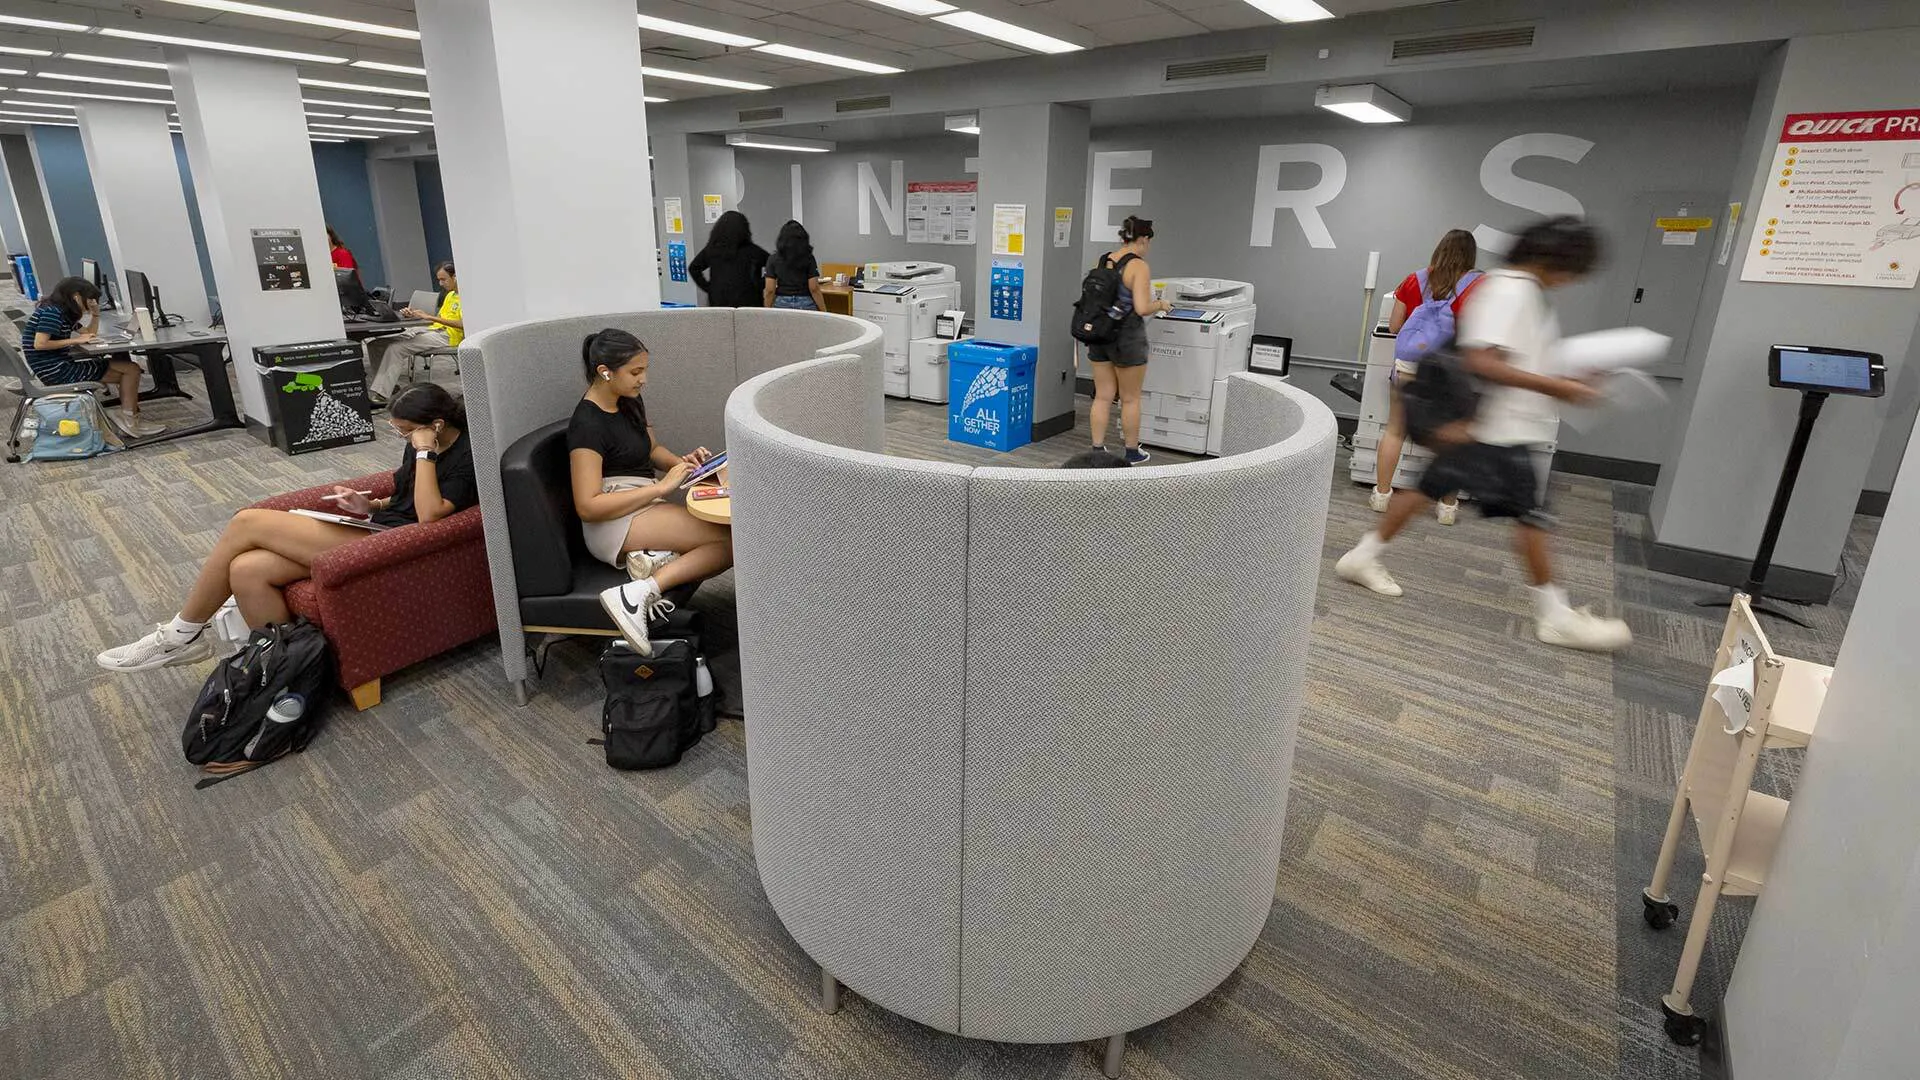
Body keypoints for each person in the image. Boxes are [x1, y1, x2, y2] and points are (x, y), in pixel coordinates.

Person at [1334, 216, 1632, 653]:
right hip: (1499, 430)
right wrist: (1561, 387)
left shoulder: (1515, 289)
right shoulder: (1513, 291)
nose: (1572, 279)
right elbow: (1483, 361)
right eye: (1574, 268)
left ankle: (1361, 557)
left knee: (1426, 490)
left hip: (1494, 427)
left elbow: (1511, 356)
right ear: (1556, 260)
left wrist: (1567, 374)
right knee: (1532, 516)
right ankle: (1554, 616)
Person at [96, 383, 477, 672]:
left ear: (437, 426)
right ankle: (283, 666)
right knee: (247, 570)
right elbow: (404, 492)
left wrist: (425, 451)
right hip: (378, 523)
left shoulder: (465, 455)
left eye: (407, 431)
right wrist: (370, 504)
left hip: (395, 543)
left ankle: (179, 635)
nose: (404, 439)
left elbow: (428, 515)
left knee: (246, 522)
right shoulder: (419, 445)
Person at [570, 329, 734, 655]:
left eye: (644, 369)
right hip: (612, 519)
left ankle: (655, 562)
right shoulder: (586, 425)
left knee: (732, 537)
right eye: (635, 372)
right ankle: (635, 593)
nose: (643, 379)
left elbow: (651, 449)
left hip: (643, 500)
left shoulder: (629, 400)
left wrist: (689, 468)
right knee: (731, 542)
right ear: (605, 372)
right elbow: (588, 505)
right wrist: (662, 486)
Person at [1373, 229, 1483, 523]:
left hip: (1410, 364)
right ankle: (1447, 507)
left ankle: (1382, 496)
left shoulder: (1415, 279)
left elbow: (1395, 326)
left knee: (1395, 429)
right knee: (1455, 437)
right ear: (1470, 256)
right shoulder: (1479, 285)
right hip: (1452, 370)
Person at [21, 276, 164, 437]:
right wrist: (75, 340)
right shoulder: (52, 313)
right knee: (131, 370)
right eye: (89, 299)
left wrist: (95, 315)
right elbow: (39, 344)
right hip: (56, 371)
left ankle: (128, 417)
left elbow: (89, 334)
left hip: (56, 366)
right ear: (76, 296)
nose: (91, 303)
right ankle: (129, 419)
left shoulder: (62, 312)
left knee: (129, 370)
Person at [1086, 215, 1172, 466]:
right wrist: (1162, 304)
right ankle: (1132, 452)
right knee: (1130, 398)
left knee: (1103, 396)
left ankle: (1097, 450)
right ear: (1144, 239)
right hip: (1127, 339)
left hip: (1100, 335)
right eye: (1149, 241)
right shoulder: (1138, 266)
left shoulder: (1104, 260)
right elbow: (1143, 307)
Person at [364, 261, 461, 406]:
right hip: (433, 329)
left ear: (455, 277)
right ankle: (389, 387)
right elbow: (440, 319)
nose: (441, 284)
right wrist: (415, 315)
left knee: (396, 348)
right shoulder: (450, 295)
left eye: (443, 279)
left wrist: (429, 317)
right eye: (439, 280)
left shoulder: (466, 298)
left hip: (448, 336)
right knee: (376, 344)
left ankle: (381, 395)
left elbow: (463, 324)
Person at [689, 210, 769, 309]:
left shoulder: (712, 250)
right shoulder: (752, 251)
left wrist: (709, 288)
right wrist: (759, 285)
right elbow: (772, 264)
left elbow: (693, 268)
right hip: (749, 302)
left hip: (719, 301)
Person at [762, 220, 826, 312]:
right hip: (805, 303)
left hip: (781, 303)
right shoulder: (809, 258)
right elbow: (814, 288)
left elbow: (769, 290)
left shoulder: (773, 259)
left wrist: (766, 312)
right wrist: (824, 311)